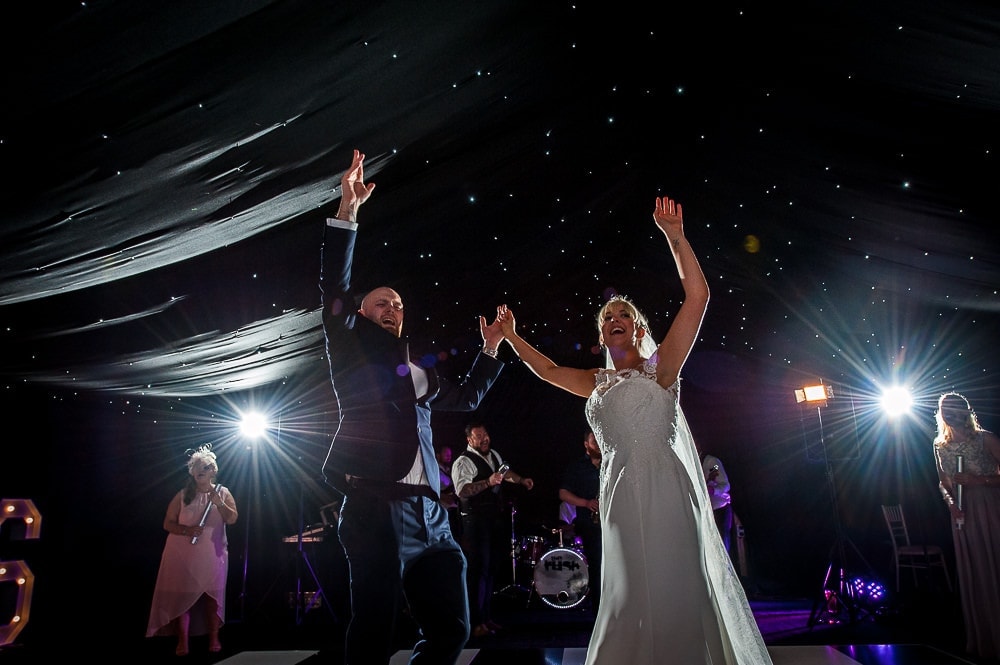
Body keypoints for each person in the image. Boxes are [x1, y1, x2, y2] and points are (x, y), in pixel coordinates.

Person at [496, 196, 772, 664]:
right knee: (629, 587)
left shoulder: (660, 369)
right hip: (619, 489)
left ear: (638, 327)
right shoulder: (594, 382)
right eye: (608, 318)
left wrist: (674, 238)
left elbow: (698, 298)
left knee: (674, 578)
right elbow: (545, 370)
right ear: (603, 336)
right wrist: (509, 336)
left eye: (624, 315)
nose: (615, 320)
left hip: (665, 482)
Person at [319, 149, 506, 665]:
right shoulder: (352, 349)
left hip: (431, 512)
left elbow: (465, 398)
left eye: (398, 304)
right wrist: (348, 212)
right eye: (381, 302)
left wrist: (490, 350)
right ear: (361, 312)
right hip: (375, 506)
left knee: (452, 629)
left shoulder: (418, 367)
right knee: (374, 632)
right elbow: (332, 289)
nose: (392, 308)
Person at [146, 444, 238, 656]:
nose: (200, 470)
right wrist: (187, 530)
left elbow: (232, 518)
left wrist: (220, 504)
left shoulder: (223, 492)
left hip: (212, 554)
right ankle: (183, 642)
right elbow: (167, 523)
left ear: (213, 470)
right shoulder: (182, 495)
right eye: (196, 466)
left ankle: (214, 639)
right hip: (182, 553)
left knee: (212, 598)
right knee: (183, 597)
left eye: (205, 467)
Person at [933, 391, 1000, 661]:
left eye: (956, 408)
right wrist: (951, 503)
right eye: (945, 409)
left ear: (966, 410)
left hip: (990, 506)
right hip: (962, 513)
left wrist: (979, 481)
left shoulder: (986, 438)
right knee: (978, 571)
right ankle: (988, 636)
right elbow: (943, 482)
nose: (951, 413)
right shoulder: (940, 445)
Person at [452, 421, 534, 638]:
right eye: (479, 436)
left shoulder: (494, 454)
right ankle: (474, 623)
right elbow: (462, 491)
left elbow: (504, 474)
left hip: (493, 521)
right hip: (474, 522)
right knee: (477, 572)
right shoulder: (463, 461)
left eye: (486, 434)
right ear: (470, 440)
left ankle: (486, 618)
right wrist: (487, 483)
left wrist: (520, 480)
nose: (484, 439)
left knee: (490, 571)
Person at [558, 429, 602, 609]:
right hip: (590, 524)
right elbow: (563, 493)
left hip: (612, 523)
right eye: (594, 440)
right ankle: (598, 610)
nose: (598, 443)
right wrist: (586, 503)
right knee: (597, 567)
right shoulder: (576, 467)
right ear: (586, 445)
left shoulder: (610, 464)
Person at [702, 452, 734, 553]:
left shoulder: (712, 463)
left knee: (721, 547)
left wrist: (713, 489)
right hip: (706, 511)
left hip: (720, 509)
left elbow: (726, 485)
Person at [437, 444, 462, 538]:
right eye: (446, 454)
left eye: (450, 455)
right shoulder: (435, 470)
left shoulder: (449, 470)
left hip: (454, 510)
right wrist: (444, 496)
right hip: (443, 511)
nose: (449, 457)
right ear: (438, 455)